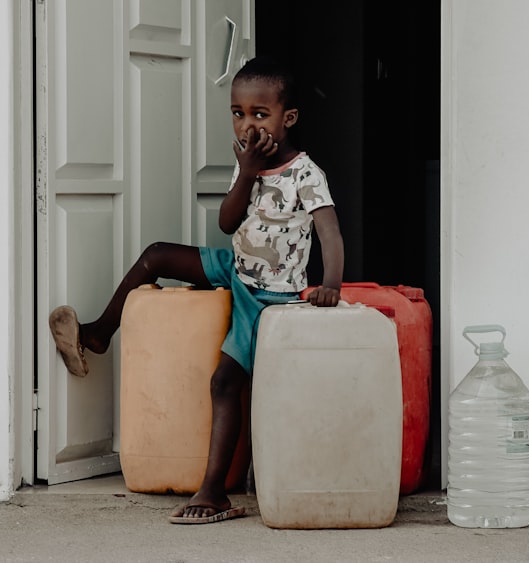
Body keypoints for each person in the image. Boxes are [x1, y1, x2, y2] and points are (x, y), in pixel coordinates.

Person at [48, 56, 344, 525]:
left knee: (225, 382)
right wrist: (246, 172)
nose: (247, 124)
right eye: (238, 113)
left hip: (271, 295)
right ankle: (100, 332)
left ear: (287, 119)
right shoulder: (248, 164)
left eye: (260, 115)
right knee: (157, 255)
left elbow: (329, 232)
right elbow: (228, 223)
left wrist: (329, 286)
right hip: (237, 267)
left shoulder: (306, 174)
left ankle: (214, 492)